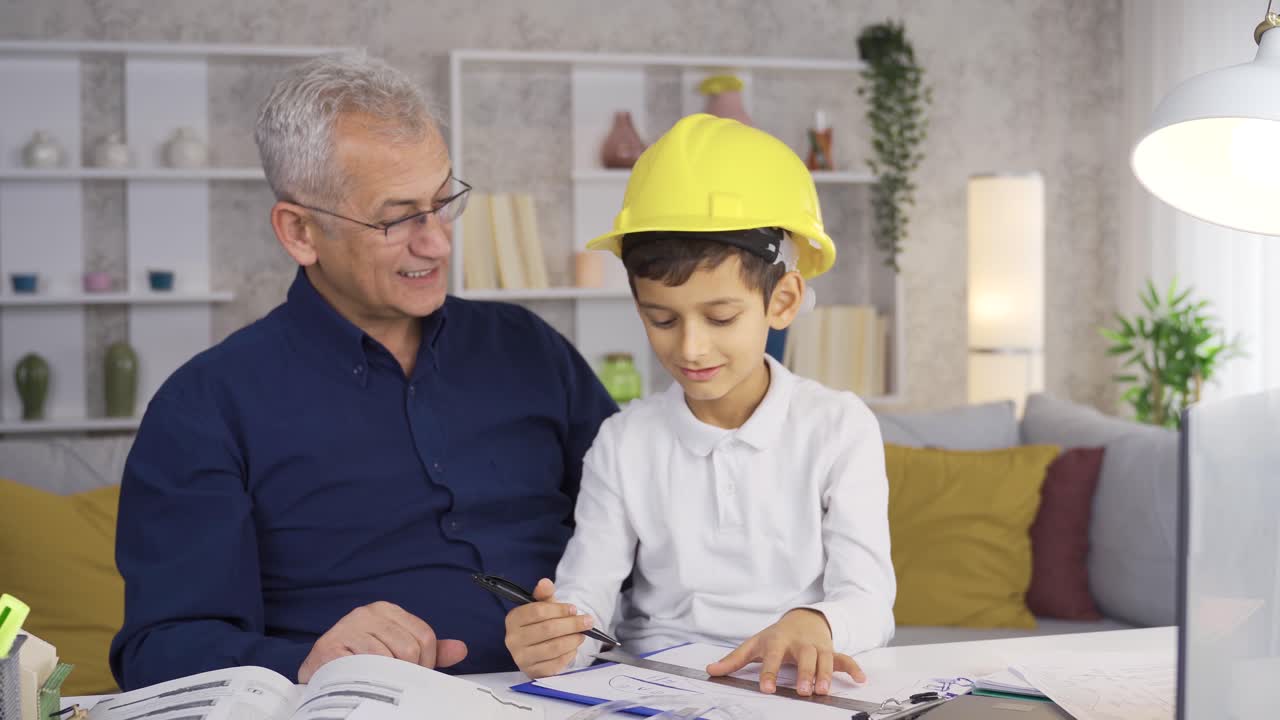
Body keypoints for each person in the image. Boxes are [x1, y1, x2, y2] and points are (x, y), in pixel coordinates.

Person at [109, 52, 617, 690]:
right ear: (300, 231)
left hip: (591, 692)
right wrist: (305, 661)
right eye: (398, 217)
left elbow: (653, 516)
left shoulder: (529, 348)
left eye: (442, 202)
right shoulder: (206, 406)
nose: (436, 242)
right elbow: (158, 650)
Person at [502, 113, 896, 698]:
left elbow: (869, 599)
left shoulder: (838, 428)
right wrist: (558, 637)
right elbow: (587, 598)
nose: (689, 347)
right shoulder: (624, 441)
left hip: (796, 691)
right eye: (661, 319)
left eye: (720, 317)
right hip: (657, 687)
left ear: (782, 301)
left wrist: (816, 621)